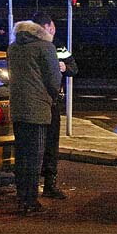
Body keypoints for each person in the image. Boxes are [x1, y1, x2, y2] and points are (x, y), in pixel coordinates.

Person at [7, 20, 62, 216]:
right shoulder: (45, 47)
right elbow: (54, 80)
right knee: (35, 157)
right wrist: (54, 95)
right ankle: (30, 201)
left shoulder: (13, 48)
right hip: (37, 110)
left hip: (18, 109)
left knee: (22, 155)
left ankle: (21, 196)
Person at [31, 12, 79, 199]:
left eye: (48, 28)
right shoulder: (32, 46)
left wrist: (64, 68)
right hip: (39, 101)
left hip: (52, 103)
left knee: (51, 145)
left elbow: (74, 67)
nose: (49, 31)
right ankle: (33, 186)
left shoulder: (57, 46)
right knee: (37, 145)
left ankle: (49, 184)